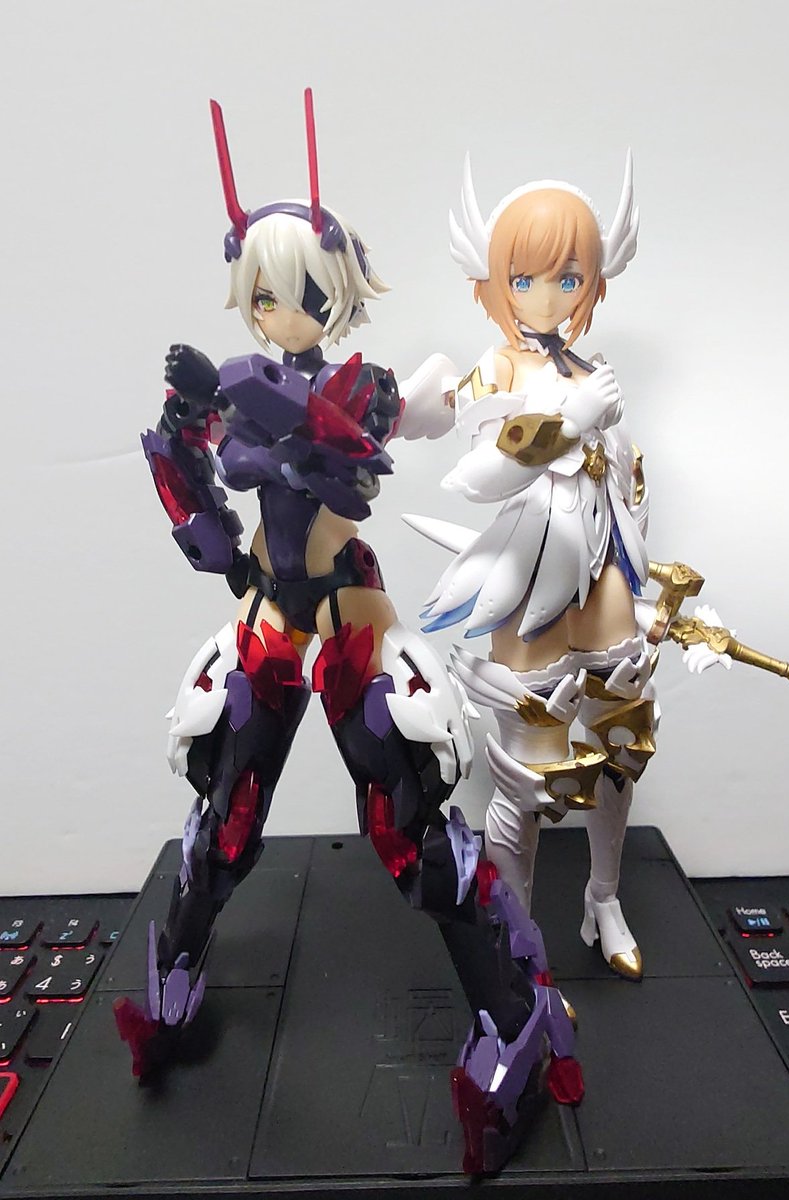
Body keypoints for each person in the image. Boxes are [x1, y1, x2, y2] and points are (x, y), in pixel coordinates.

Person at [115, 97, 582, 1177]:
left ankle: (515, 1016)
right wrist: (188, 454)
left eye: (302, 293)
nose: (283, 313)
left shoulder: (355, 388)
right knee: (224, 818)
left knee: (413, 832)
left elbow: (353, 463)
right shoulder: (235, 392)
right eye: (264, 295)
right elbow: (197, 509)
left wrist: (266, 440)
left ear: (336, 289)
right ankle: (172, 984)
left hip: (348, 621)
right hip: (268, 615)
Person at [409, 153, 659, 981]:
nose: (547, 298)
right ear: (496, 282)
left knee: (621, 745)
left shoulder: (592, 370)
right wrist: (569, 421)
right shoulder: (497, 369)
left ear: (592, 282)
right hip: (533, 582)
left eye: (568, 278)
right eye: (525, 279)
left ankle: (603, 897)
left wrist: (648, 583)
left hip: (607, 577)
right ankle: (517, 945)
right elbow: (477, 478)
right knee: (528, 774)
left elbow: (623, 482)